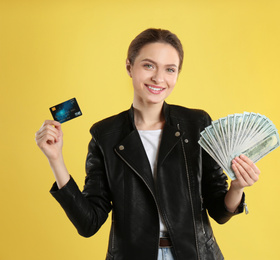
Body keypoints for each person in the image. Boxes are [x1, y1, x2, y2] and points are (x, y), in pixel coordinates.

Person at [35, 28, 260, 260]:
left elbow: (219, 211)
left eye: (170, 69)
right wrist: (55, 159)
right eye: (148, 65)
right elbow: (89, 223)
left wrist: (237, 187)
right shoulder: (105, 134)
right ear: (129, 66)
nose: (158, 78)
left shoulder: (197, 124)